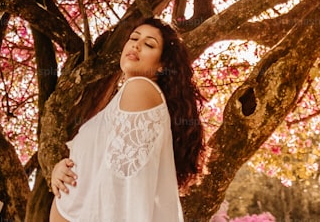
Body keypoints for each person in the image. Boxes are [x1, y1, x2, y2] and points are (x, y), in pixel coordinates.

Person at [49, 17, 205, 222]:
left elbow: (123, 186)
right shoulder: (124, 98)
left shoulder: (140, 88)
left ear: (162, 66)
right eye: (133, 38)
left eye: (149, 44)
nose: (136, 45)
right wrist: (60, 169)